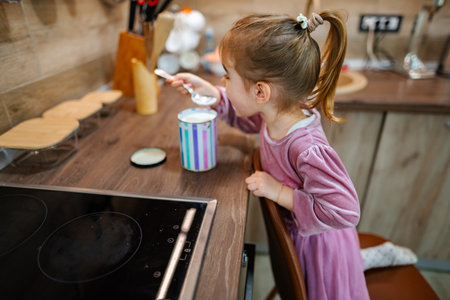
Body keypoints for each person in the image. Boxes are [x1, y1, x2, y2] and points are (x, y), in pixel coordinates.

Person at [168, 10, 370, 300]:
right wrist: (212, 95)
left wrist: (279, 191)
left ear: (261, 92)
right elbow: (248, 118)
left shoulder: (306, 147)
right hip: (303, 236)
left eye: (227, 77)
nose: (224, 83)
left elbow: (345, 210)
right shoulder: (275, 116)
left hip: (321, 248)